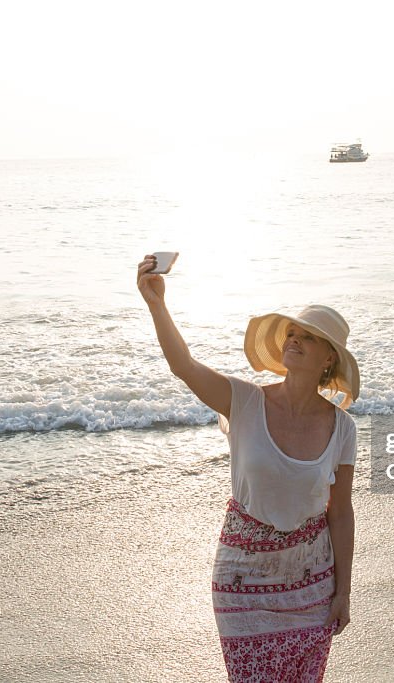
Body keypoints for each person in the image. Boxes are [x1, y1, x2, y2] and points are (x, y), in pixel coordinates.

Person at [137, 254, 358, 683]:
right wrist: (156, 303)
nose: (293, 340)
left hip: (311, 581)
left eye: (307, 338)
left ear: (328, 358)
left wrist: (343, 592)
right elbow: (184, 366)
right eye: (291, 333)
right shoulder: (244, 400)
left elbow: (341, 512)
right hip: (242, 578)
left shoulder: (342, 427)